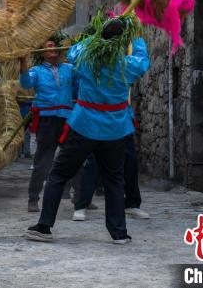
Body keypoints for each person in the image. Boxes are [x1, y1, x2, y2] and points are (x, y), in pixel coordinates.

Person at [25, 18, 150, 244]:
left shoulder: (85, 59)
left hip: (83, 126)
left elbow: (74, 51)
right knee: (114, 180)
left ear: (101, 39)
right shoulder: (129, 64)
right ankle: (119, 233)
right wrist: (136, 36)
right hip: (115, 129)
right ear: (122, 42)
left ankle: (44, 227)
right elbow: (143, 60)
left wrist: (97, 36)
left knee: (58, 175)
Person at [19, 39, 80, 213]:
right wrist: (23, 62)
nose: (53, 48)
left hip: (68, 118)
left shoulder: (69, 69)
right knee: (43, 161)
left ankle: (81, 197)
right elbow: (25, 84)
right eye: (48, 46)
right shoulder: (36, 71)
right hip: (47, 119)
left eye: (55, 45)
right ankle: (33, 198)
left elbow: (80, 82)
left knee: (75, 157)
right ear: (42, 53)